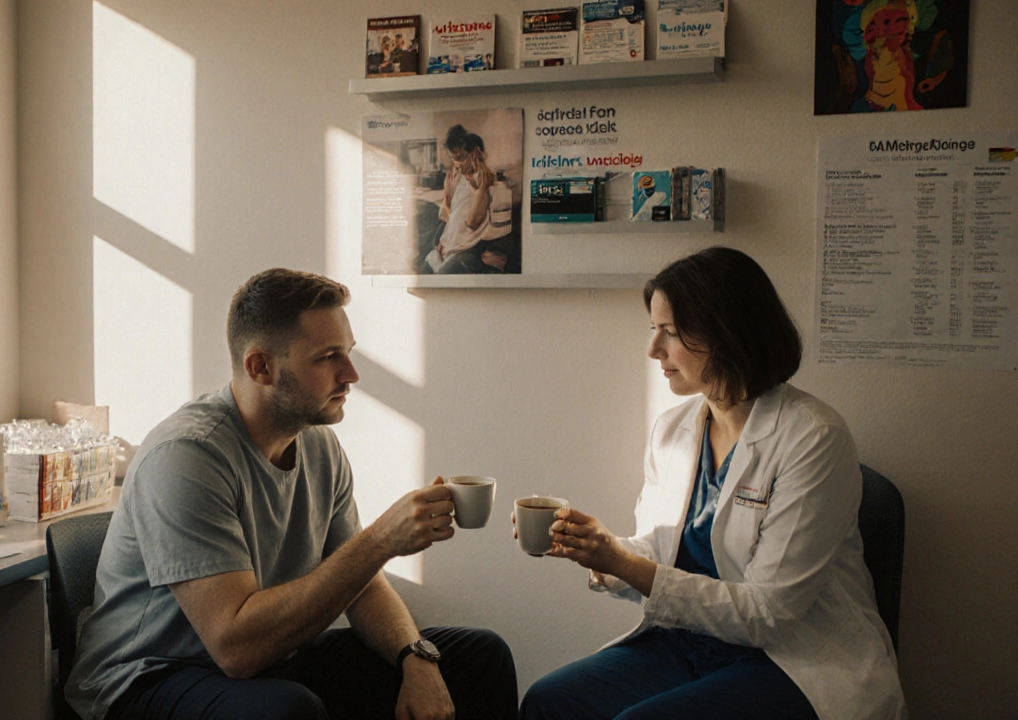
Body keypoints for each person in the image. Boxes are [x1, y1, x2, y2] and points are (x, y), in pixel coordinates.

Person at [67, 268, 518, 720]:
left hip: (272, 657)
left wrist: (415, 656)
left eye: (349, 353)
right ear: (260, 366)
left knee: (479, 658)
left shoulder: (318, 443)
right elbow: (235, 647)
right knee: (288, 710)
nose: (351, 374)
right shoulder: (187, 457)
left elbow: (358, 585)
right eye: (328, 357)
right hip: (146, 677)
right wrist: (382, 540)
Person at [518, 247, 906, 720]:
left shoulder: (813, 437)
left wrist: (620, 561)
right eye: (653, 329)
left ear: (728, 334)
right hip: (686, 644)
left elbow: (770, 613)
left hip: (789, 657)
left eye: (672, 333)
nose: (653, 350)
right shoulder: (672, 429)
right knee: (548, 700)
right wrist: (596, 553)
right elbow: (661, 559)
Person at [430, 125, 510, 274]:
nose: (457, 164)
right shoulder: (459, 178)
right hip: (448, 248)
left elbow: (472, 222)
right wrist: (448, 190)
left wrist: (480, 187)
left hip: (464, 251)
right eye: (453, 159)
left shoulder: (484, 183)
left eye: (460, 158)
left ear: (475, 154)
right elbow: (445, 215)